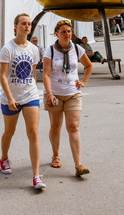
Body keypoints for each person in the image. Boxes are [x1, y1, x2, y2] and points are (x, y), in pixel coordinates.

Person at [0, 13, 45, 188]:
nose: (27, 26)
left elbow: (32, 73)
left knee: (33, 132)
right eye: (23, 23)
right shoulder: (8, 48)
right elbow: (3, 76)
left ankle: (36, 175)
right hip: (11, 97)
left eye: (29, 24)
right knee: (9, 131)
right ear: (16, 26)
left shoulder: (33, 49)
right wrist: (10, 98)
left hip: (30, 95)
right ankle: (4, 158)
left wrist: (35, 90)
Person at [43, 20, 93, 176]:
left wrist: (83, 82)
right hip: (55, 94)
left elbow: (89, 65)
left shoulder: (77, 48)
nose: (67, 34)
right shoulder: (50, 51)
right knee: (56, 126)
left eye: (69, 31)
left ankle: (78, 165)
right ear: (56, 33)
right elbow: (46, 73)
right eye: (63, 32)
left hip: (73, 93)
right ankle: (55, 155)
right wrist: (49, 93)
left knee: (73, 126)